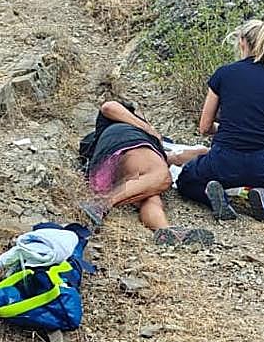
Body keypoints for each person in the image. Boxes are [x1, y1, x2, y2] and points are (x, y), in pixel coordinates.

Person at [177, 16, 264, 223]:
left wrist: (229, 127)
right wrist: (259, 131)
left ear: (242, 42)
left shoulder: (224, 74)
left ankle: (214, 196)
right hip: (261, 166)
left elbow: (204, 127)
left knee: (185, 179)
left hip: (223, 161)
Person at [79, 100, 213, 246]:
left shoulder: (147, 148)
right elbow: (108, 107)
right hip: (124, 146)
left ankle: (165, 231)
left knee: (150, 196)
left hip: (109, 173)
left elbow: (175, 157)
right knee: (161, 176)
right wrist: (149, 129)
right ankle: (102, 203)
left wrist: (207, 152)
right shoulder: (125, 125)